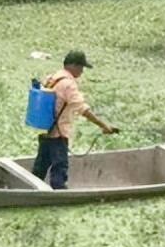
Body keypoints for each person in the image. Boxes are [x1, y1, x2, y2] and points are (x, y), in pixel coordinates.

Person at [32, 50, 118, 189]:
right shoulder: (68, 85)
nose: (82, 71)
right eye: (81, 67)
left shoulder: (52, 78)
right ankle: (59, 193)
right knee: (60, 167)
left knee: (40, 166)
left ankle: (32, 190)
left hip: (45, 129)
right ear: (73, 65)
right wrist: (103, 125)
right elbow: (83, 109)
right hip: (59, 133)